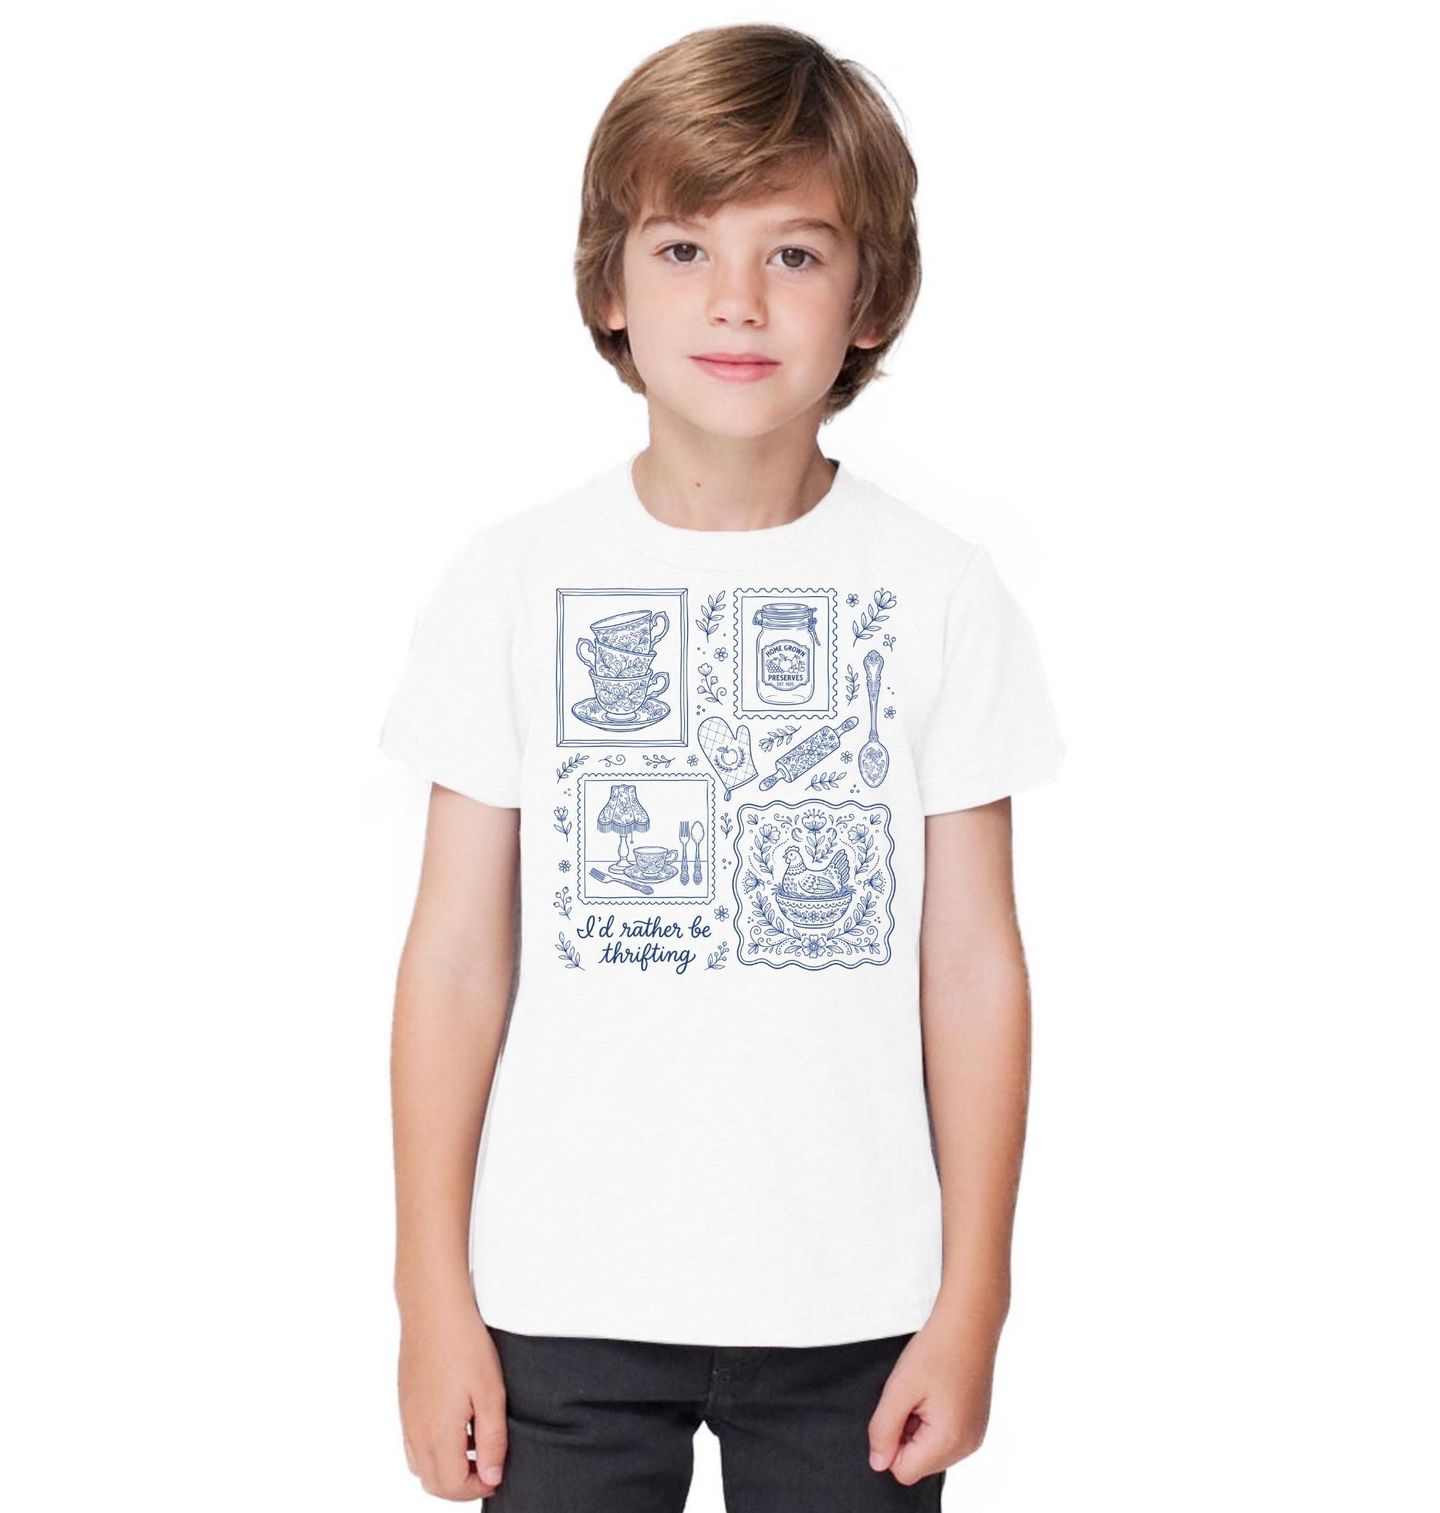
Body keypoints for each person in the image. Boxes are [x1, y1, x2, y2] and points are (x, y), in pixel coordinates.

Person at [379, 23, 1065, 1511]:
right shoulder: (512, 583)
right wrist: (430, 1296)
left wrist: (976, 1300)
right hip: (556, 1293)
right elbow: (453, 961)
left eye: (795, 255)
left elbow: (973, 967)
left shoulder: (940, 593)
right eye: (684, 248)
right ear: (609, 286)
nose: (738, 300)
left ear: (869, 296)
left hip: (857, 1305)